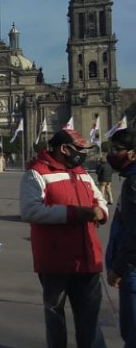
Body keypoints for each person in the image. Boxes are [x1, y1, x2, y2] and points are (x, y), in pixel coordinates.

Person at [19, 129, 108, 348]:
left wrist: (101, 212)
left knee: (90, 318)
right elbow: (30, 210)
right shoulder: (36, 173)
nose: (82, 154)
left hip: (87, 258)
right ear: (64, 149)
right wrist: (73, 213)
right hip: (55, 260)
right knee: (55, 315)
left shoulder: (82, 173)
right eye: (79, 149)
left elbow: (100, 199)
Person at [105, 129, 136, 346]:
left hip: (132, 270)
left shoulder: (134, 183)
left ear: (133, 154)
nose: (112, 153)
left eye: (117, 149)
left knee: (132, 333)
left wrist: (119, 267)